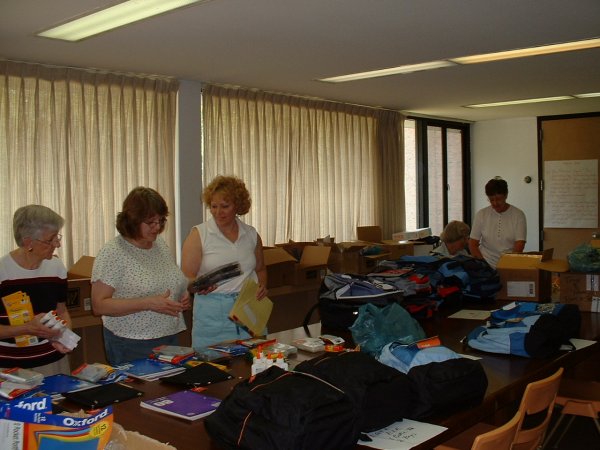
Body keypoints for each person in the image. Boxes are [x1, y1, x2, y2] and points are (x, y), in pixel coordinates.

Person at [91, 187, 190, 365]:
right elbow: (99, 305)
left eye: (161, 220)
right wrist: (148, 303)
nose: (157, 227)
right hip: (132, 341)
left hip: (168, 335)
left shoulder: (159, 244)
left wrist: (182, 295)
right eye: (150, 222)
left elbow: (172, 279)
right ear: (133, 220)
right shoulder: (113, 252)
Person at [181, 175, 267, 350]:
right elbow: (185, 279)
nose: (218, 212)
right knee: (213, 363)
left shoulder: (251, 234)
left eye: (225, 206)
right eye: (214, 206)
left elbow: (260, 269)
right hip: (212, 315)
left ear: (238, 206)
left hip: (248, 310)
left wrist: (262, 287)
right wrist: (198, 285)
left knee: (255, 361)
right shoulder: (199, 235)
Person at [0, 205, 72, 375]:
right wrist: (26, 328)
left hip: (52, 360)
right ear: (28, 243)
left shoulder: (56, 267)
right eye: (51, 239)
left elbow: (61, 311)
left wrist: (63, 337)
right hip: (9, 367)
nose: (58, 244)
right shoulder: (3, 271)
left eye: (57, 237)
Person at [469, 178, 526, 268]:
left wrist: (508, 265)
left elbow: (520, 244)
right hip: (485, 262)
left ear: (506, 195)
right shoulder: (481, 214)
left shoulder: (518, 215)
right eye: (491, 200)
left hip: (508, 263)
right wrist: (484, 265)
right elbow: (473, 244)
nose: (495, 203)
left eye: (499, 199)